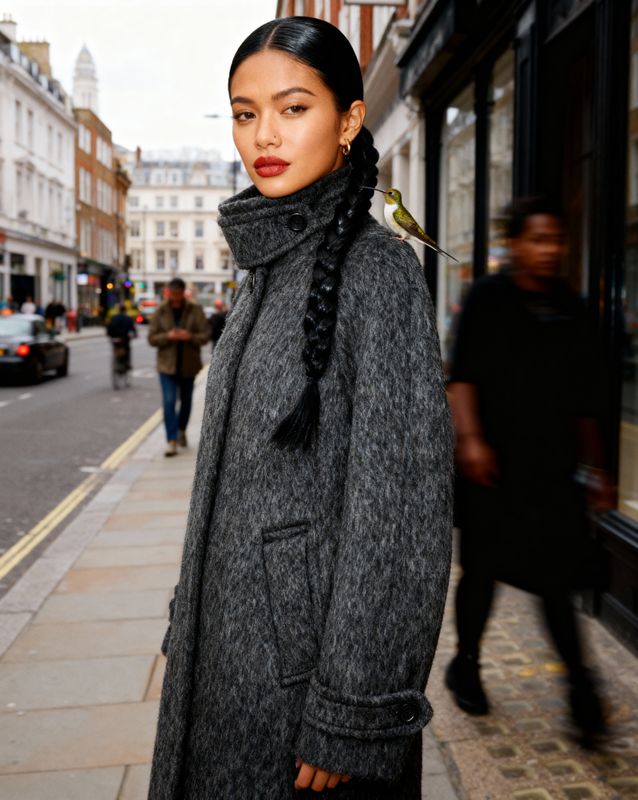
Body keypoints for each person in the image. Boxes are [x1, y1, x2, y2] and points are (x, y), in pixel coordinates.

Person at [148, 17, 453, 800]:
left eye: (293, 108)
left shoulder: (378, 278)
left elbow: (400, 518)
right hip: (229, 662)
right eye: (245, 113)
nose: (263, 136)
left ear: (350, 120)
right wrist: (192, 624)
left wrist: (354, 710)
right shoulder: (265, 276)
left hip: (304, 694)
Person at [445, 197, 614, 747]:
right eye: (538, 240)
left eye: (556, 241)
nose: (549, 251)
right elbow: (462, 376)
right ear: (515, 244)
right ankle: (466, 663)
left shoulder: (571, 307)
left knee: (555, 580)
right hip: (491, 464)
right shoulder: (487, 299)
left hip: (552, 470)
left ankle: (581, 694)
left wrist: (596, 468)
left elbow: (587, 398)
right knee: (483, 570)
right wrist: (469, 441)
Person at [148, 278, 209, 457]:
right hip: (166, 366)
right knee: (168, 402)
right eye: (172, 294)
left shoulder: (195, 310)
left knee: (186, 402)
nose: (175, 298)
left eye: (178, 294)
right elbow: (152, 338)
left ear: (183, 293)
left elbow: (205, 335)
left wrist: (189, 336)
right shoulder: (161, 311)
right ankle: (171, 440)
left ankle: (182, 430)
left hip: (188, 365)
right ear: (168, 292)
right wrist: (168, 336)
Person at [106, 303, 137, 371]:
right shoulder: (128, 318)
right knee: (128, 349)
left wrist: (109, 335)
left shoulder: (114, 317)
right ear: (125, 310)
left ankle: (117, 361)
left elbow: (109, 327)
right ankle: (127, 363)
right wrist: (135, 335)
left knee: (115, 346)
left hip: (114, 338)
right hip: (124, 338)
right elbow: (133, 329)